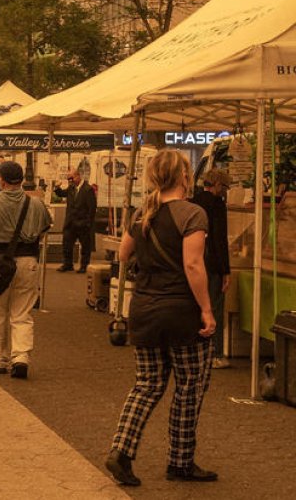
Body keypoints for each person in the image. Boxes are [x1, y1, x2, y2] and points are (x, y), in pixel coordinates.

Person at [106, 150, 218, 486]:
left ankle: (121, 451)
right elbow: (193, 265)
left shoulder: (143, 213)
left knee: (147, 385)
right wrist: (207, 310)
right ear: (185, 176)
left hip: (145, 309)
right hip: (181, 313)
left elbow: (124, 254)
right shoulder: (192, 213)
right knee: (189, 386)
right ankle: (180, 461)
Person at [0, 161, 52, 378]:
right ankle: (21, 357)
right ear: (22, 180)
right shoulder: (36, 204)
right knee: (22, 313)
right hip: (28, 262)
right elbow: (45, 228)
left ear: (1, 180)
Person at [191, 168, 231, 369]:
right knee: (214, 306)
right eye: (225, 187)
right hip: (213, 263)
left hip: (195, 260)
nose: (225, 191)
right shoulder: (217, 205)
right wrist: (226, 270)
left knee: (197, 305)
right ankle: (215, 354)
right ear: (216, 185)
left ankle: (195, 351)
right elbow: (220, 239)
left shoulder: (193, 201)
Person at [55, 167, 97, 274]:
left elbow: (92, 208)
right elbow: (61, 194)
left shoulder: (88, 189)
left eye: (71, 178)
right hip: (71, 223)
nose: (70, 181)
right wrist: (56, 187)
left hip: (82, 223)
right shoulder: (71, 188)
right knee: (67, 244)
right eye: (68, 179)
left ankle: (84, 265)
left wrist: (88, 223)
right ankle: (68, 264)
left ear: (78, 176)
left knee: (85, 246)